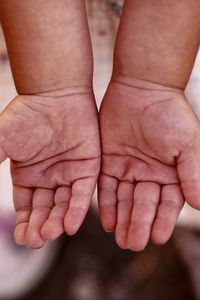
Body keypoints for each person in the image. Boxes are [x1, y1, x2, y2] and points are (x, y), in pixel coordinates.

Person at [0, 0, 200, 251]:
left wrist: (155, 83)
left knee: (154, 180)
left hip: (172, 40)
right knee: (73, 168)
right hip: (36, 40)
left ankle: (186, 229)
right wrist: (49, 90)